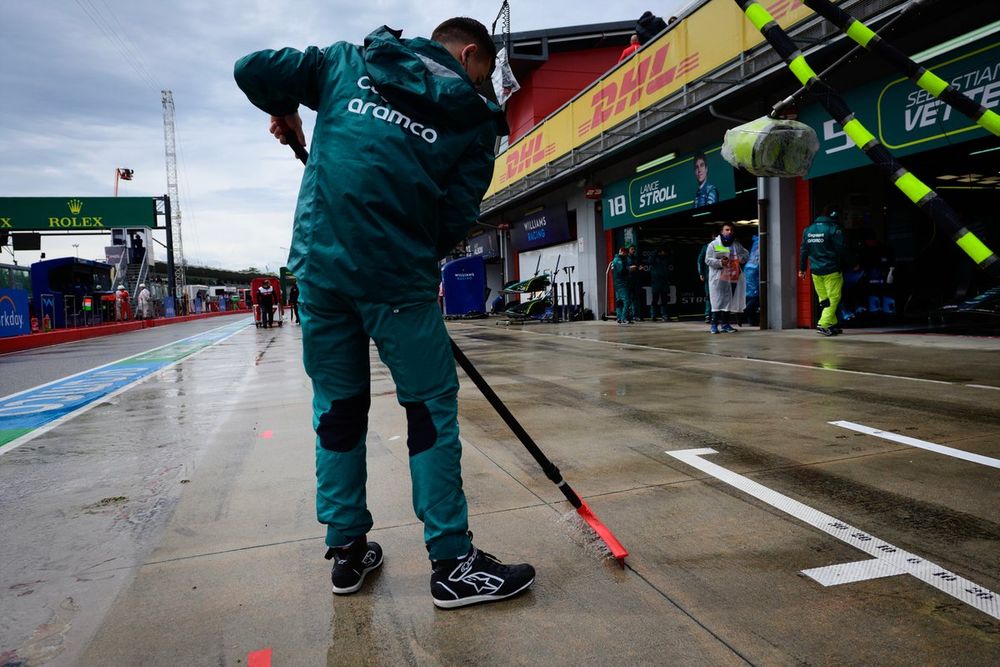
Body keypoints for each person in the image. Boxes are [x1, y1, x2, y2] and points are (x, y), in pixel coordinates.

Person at [235, 16, 534, 608]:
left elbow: (252, 69)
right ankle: (452, 563)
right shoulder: (475, 121)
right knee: (428, 411)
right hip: (398, 280)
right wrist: (404, 257)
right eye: (484, 71)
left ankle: (348, 551)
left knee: (339, 410)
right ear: (470, 54)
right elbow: (453, 220)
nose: (484, 83)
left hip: (320, 274)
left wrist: (287, 108)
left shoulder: (345, 63)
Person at [799, 205, 847, 336]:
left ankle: (833, 324)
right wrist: (849, 264)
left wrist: (802, 268)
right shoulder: (833, 229)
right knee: (834, 298)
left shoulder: (808, 230)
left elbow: (803, 251)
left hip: (815, 271)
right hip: (832, 270)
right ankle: (823, 324)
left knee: (824, 299)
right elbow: (841, 250)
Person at [704, 223, 749, 334]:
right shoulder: (714, 244)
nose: (730, 232)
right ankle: (714, 325)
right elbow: (708, 260)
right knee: (716, 301)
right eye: (727, 230)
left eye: (731, 230)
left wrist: (739, 258)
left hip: (731, 277)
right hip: (717, 278)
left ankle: (725, 324)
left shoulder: (736, 245)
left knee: (728, 301)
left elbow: (746, 255)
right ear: (722, 231)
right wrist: (720, 262)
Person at [611, 247, 634, 324]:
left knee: (619, 301)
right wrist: (629, 268)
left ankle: (619, 317)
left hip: (618, 283)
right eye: (624, 253)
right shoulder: (618, 260)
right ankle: (623, 318)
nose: (625, 254)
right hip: (621, 283)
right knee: (627, 300)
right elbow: (622, 271)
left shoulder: (618, 260)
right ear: (621, 252)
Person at [649, 248, 673, 321]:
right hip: (655, 282)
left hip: (664, 282)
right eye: (661, 251)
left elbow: (671, 258)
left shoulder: (666, 259)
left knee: (664, 299)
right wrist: (656, 251)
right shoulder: (654, 259)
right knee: (655, 299)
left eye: (664, 251)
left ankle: (664, 315)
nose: (663, 253)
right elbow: (650, 260)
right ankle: (653, 315)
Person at [627, 245, 645, 320]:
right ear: (628, 250)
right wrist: (629, 268)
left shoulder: (636, 258)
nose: (633, 250)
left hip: (636, 280)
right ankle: (629, 315)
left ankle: (635, 315)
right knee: (629, 298)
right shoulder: (626, 258)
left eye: (634, 249)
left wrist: (640, 268)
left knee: (636, 298)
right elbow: (624, 268)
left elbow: (639, 266)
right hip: (629, 280)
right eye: (632, 249)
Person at [696, 238, 712, 323]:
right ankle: (708, 315)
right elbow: (700, 260)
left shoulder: (722, 246)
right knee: (708, 296)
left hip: (721, 277)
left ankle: (717, 315)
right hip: (709, 276)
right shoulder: (706, 247)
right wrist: (701, 273)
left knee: (720, 297)